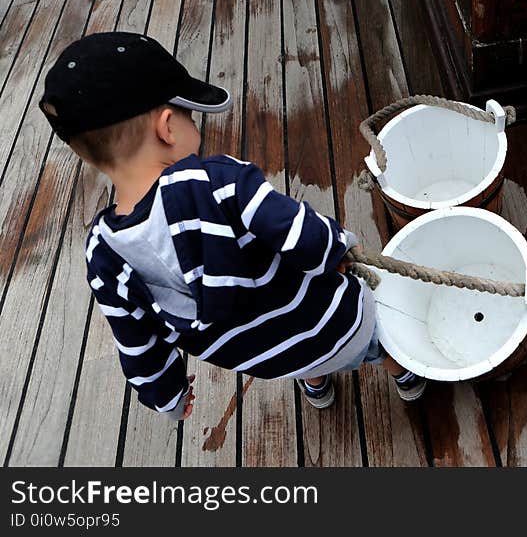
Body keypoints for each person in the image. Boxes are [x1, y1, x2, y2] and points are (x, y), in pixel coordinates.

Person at [39, 32, 425, 420]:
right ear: (168, 127)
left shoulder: (103, 257)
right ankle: (406, 376)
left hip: (270, 358)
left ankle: (315, 383)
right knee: (378, 338)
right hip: (333, 322)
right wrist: (338, 248)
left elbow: (138, 347)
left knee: (302, 356)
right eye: (190, 115)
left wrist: (169, 398)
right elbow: (299, 233)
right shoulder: (219, 183)